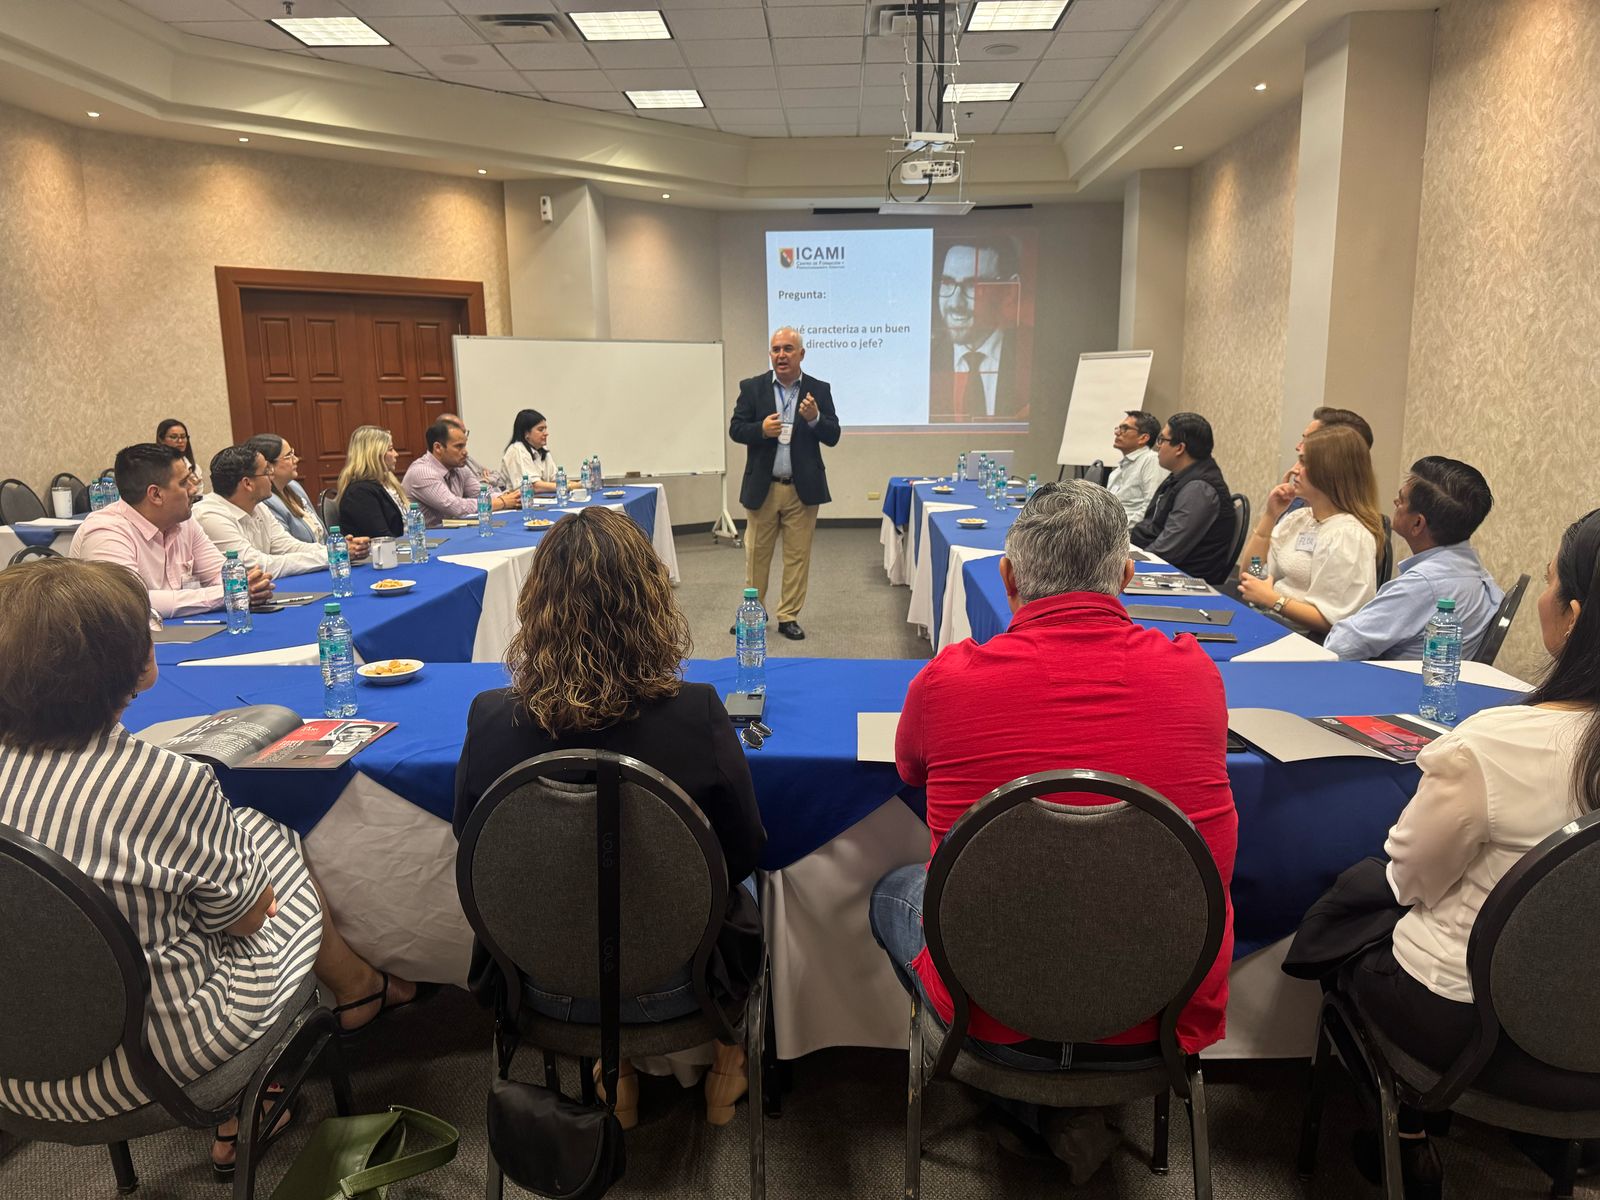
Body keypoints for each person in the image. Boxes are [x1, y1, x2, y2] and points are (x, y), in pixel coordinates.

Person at [0, 557, 415, 1177]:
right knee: (274, 840)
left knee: (177, 891)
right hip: (158, 1070)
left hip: (18, 1074)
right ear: (139, 665)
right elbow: (246, 921)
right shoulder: (166, 781)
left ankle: (348, 1001)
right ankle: (352, 996)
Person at [871, 481, 1236, 1180]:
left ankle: (1032, 1106)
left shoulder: (947, 682)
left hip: (989, 1011)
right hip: (1156, 1014)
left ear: (1007, 579)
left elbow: (910, 769)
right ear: (1127, 575)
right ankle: (1065, 1111)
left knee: (896, 890)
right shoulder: (1196, 674)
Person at [1317, 508, 1600, 1198]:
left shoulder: (1496, 742)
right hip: (1587, 1039)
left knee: (1351, 908)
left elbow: (1410, 877)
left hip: (1467, 1027)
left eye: (1550, 579)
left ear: (1574, 616)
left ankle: (1408, 1134)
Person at [454, 507, 766, 1130]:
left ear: (535, 606)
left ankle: (615, 1073)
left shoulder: (491, 717)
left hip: (538, 986)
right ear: (651, 603)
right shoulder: (698, 712)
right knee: (758, 879)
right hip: (685, 986)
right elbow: (743, 852)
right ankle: (729, 1059)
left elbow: (473, 844)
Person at [1325, 457, 1503, 661]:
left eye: (1401, 500)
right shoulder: (1476, 571)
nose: (1395, 502)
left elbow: (1338, 647)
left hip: (1392, 679)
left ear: (1417, 523)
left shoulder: (1422, 585)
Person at [728, 326, 841, 641]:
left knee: (797, 556)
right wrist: (761, 430)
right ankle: (754, 613)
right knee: (756, 555)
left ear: (801, 354)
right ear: (770, 353)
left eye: (788, 349)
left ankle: (788, 616)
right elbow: (736, 429)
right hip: (763, 488)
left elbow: (833, 435)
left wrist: (815, 418)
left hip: (802, 489)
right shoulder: (752, 388)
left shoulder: (818, 389)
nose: (781, 355)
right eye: (776, 349)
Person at [70, 443, 273, 617]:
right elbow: (133, 602)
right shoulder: (106, 532)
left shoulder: (183, 521)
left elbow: (220, 574)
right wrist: (228, 593)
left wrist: (246, 585)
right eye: (184, 483)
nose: (194, 489)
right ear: (156, 494)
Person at [1236, 424, 1383, 635]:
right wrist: (1270, 516)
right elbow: (1252, 575)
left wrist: (1273, 599)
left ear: (1330, 471)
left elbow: (1336, 622)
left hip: (1303, 640)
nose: (1294, 470)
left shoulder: (1349, 536)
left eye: (1304, 462)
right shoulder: (1299, 519)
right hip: (1268, 622)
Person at [194, 446, 366, 579]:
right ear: (247, 483)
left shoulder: (258, 506)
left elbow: (288, 546)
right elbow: (257, 566)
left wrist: (337, 548)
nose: (272, 476)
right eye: (266, 471)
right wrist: (331, 556)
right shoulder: (210, 516)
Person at [1129, 412, 1236, 585]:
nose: (1158, 446)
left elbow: (1167, 551)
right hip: (1163, 570)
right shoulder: (1181, 477)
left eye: (1162, 440)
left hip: (1181, 579)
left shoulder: (1198, 488)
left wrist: (1127, 564)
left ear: (1179, 448)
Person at [929, 238, 1025, 422]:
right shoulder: (923, 360)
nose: (955, 303)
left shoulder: (1035, 356)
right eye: (947, 282)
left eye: (973, 286)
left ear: (1009, 291)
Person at [401, 419, 519, 528]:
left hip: (451, 531)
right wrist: (502, 502)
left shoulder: (459, 468)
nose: (465, 452)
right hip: (424, 537)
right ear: (438, 448)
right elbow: (455, 507)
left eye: (464, 445)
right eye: (459, 446)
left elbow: (481, 493)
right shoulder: (422, 472)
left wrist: (513, 497)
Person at [247, 433, 325, 545]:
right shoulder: (266, 501)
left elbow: (323, 533)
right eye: (288, 456)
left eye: (293, 453)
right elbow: (286, 548)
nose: (296, 459)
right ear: (268, 466)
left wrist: (339, 545)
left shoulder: (294, 486)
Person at [336, 425, 409, 539]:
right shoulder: (359, 493)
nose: (396, 454)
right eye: (390, 449)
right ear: (374, 454)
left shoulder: (388, 481)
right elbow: (382, 538)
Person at [1105, 410, 1166, 527]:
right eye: (1118, 428)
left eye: (1124, 428)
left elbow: (1152, 507)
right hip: (1110, 530)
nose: (1117, 433)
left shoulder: (1151, 460)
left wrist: (1119, 529)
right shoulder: (1117, 471)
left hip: (1130, 532)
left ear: (1143, 438)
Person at [499, 408, 558, 495]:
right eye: (541, 429)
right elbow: (535, 486)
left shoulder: (543, 450)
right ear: (526, 433)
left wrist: (574, 485)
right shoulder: (517, 450)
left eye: (545, 429)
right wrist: (569, 486)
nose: (546, 433)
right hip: (521, 501)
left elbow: (556, 479)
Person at [440, 412, 503, 491]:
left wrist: (488, 480)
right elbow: (478, 492)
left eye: (464, 432)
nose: (465, 452)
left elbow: (499, 478)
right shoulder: (435, 472)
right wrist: (483, 482)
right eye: (459, 433)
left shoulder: (466, 459)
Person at [157, 418, 202, 493]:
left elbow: (199, 495)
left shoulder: (195, 469)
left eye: (183, 437)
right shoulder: (154, 468)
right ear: (161, 439)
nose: (180, 441)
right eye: (174, 437)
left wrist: (192, 488)